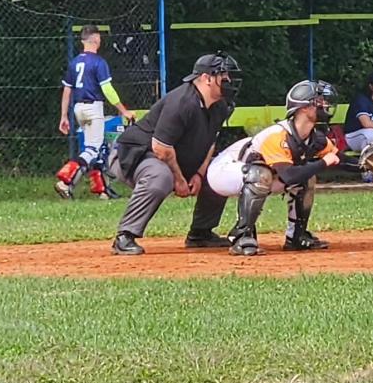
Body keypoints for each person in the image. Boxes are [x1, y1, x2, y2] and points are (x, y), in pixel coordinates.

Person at [108, 52, 241, 255]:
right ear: (206, 78)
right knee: (161, 177)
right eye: (224, 76)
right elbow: (161, 148)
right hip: (134, 154)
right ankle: (125, 236)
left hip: (171, 158)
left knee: (218, 172)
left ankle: (200, 233)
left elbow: (210, 141)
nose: (229, 81)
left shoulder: (220, 106)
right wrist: (179, 179)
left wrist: (198, 174)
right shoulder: (182, 102)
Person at [208, 80, 341, 256]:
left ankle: (297, 236)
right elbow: (288, 176)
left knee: (306, 176)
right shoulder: (277, 135)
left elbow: (338, 159)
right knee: (260, 174)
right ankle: (242, 237)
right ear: (303, 108)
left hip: (256, 172)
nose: (325, 105)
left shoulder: (313, 137)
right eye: (319, 101)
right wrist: (323, 163)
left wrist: (366, 163)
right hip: (223, 171)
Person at [54, 24, 134, 200]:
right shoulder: (99, 62)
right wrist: (123, 110)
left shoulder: (74, 62)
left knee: (95, 147)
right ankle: (65, 180)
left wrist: (63, 116)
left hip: (78, 108)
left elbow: (67, 90)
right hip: (93, 107)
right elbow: (107, 89)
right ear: (96, 40)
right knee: (93, 148)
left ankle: (101, 190)